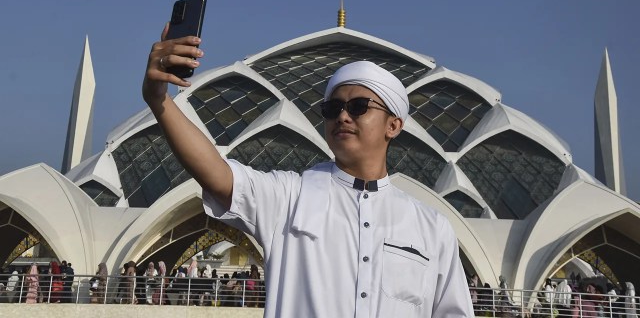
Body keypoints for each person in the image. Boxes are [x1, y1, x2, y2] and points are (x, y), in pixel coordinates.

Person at [142, 29, 474, 317]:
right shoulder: (290, 198)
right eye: (333, 108)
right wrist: (159, 101)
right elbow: (217, 172)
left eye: (359, 107)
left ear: (394, 125)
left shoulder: (431, 228)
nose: (343, 116)